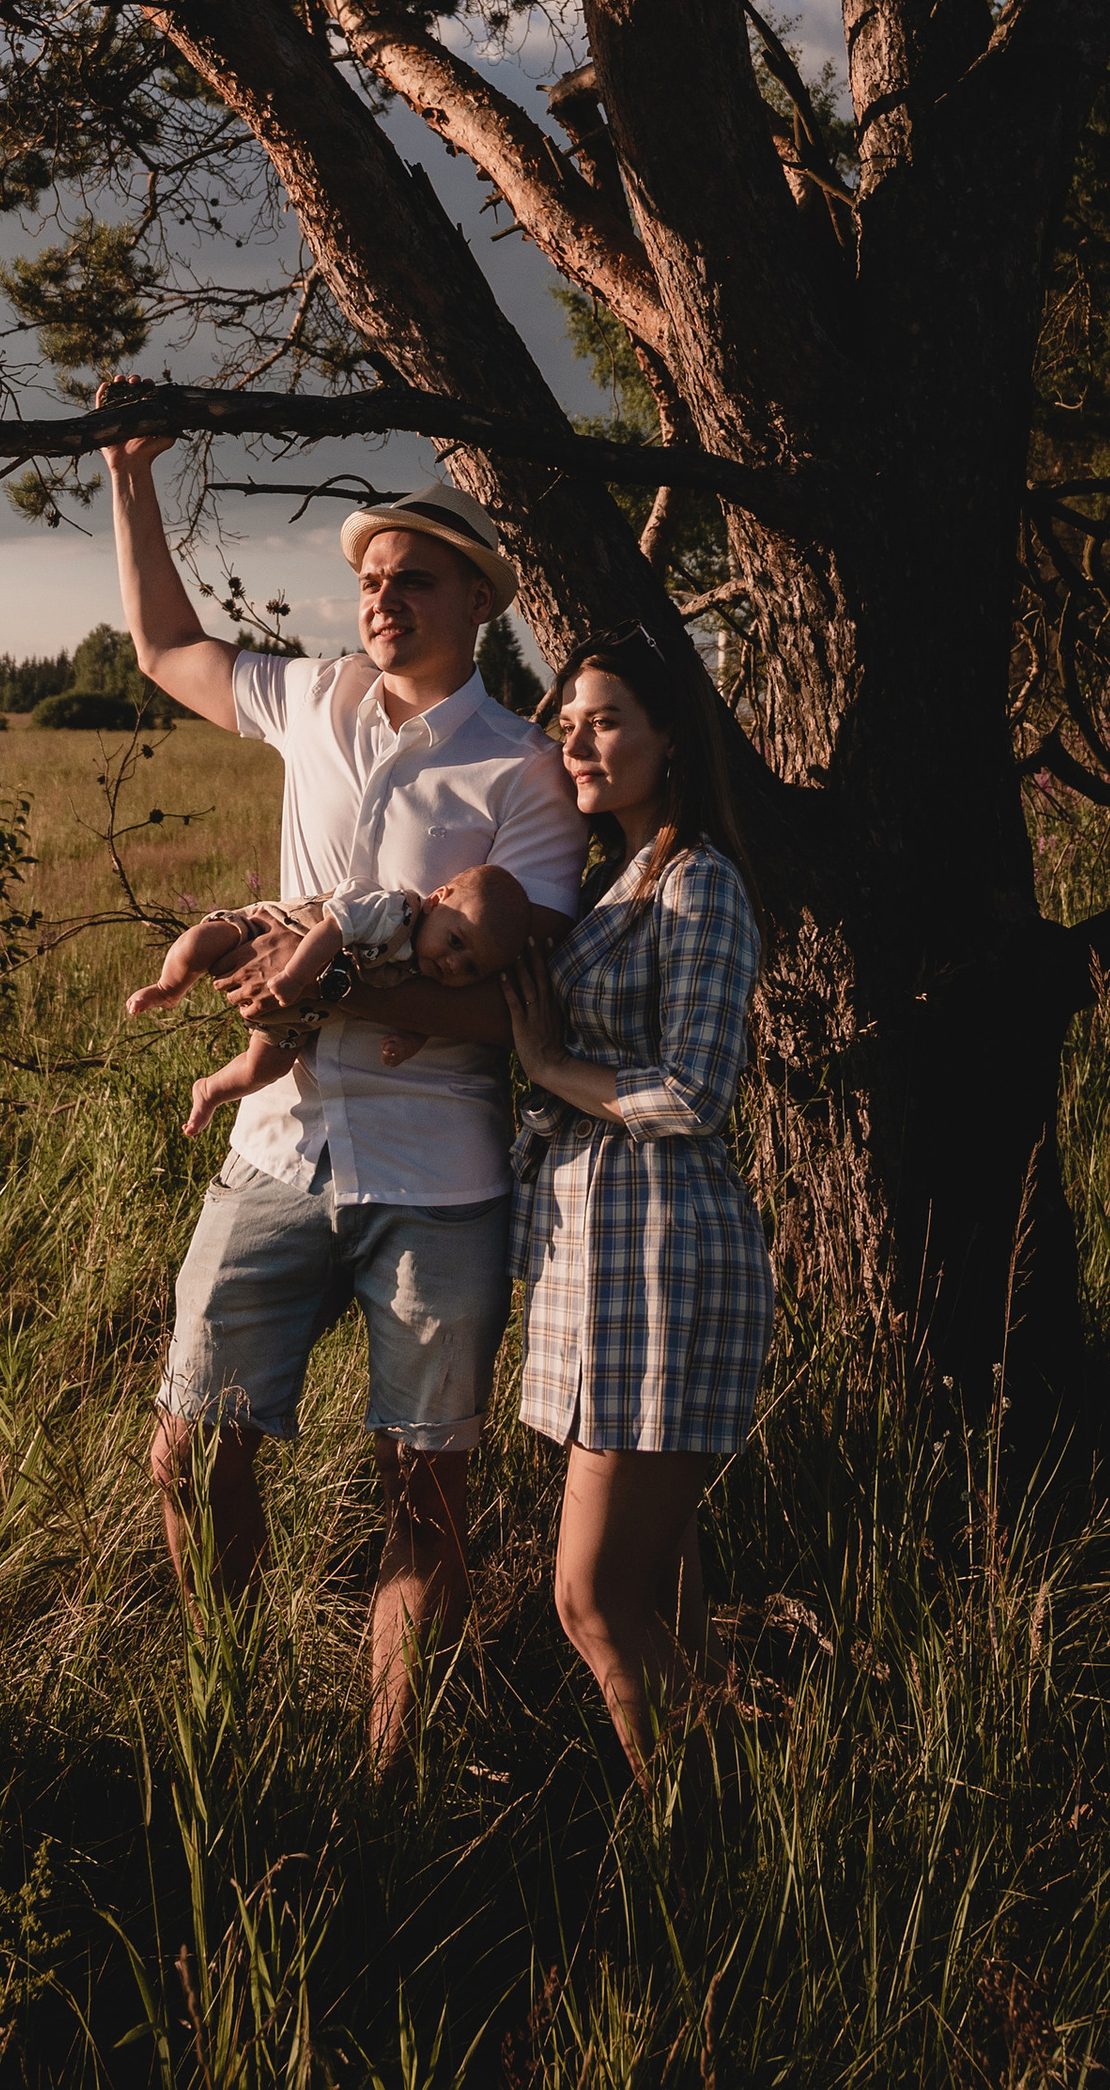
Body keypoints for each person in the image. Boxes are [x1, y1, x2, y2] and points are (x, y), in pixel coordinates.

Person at [102, 415, 582, 1756]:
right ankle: (229, 1725)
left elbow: (510, 1000)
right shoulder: (310, 697)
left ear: (479, 599)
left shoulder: (525, 770)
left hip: (439, 1179)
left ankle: (392, 1775)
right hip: (277, 1147)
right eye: (372, 575)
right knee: (190, 1449)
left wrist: (330, 988)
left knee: (423, 1493)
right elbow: (164, 651)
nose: (383, 593)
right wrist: (131, 479)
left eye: (414, 574)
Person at [502, 628, 774, 1775]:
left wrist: (548, 1066)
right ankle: (743, 1829)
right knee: (663, 1603)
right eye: (565, 719)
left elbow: (693, 1090)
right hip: (594, 1260)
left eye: (605, 718)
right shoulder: (605, 876)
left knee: (592, 1599)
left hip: (663, 1255)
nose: (577, 737)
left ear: (670, 738)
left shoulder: (698, 880)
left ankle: (722, 1822)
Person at [128, 862, 536, 1139]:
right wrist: (294, 975)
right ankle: (169, 988)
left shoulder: (425, 970)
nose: (452, 964)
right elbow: (332, 929)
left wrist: (408, 1042)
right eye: (455, 941)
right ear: (436, 899)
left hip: (294, 1016)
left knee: (266, 1067)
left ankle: (210, 1091)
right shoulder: (393, 914)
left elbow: (425, 1014)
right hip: (265, 935)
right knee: (201, 944)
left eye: (471, 969)